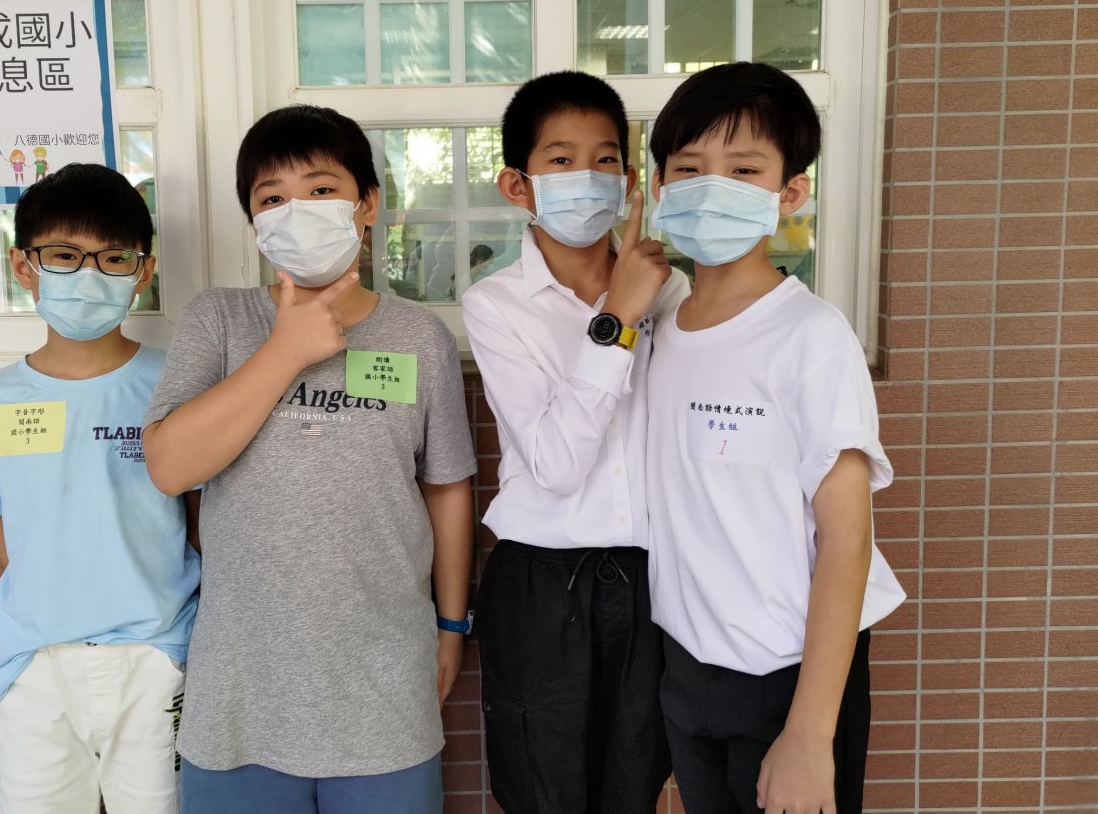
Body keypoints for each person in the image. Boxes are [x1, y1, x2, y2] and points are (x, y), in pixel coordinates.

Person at [142, 104, 476, 814]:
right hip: (241, 697)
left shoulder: (418, 337)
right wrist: (285, 351)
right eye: (272, 199)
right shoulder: (219, 320)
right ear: (254, 222)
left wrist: (452, 626)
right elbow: (170, 465)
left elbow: (447, 489)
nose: (297, 211)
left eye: (321, 189)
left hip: (385, 688)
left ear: (367, 205)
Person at [644, 62, 906, 814]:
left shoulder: (811, 336)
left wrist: (810, 735)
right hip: (689, 666)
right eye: (688, 168)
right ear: (659, 185)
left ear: (790, 192)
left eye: (743, 169)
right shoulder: (659, 326)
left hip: (790, 677)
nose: (711, 187)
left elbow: (848, 542)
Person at [0, 164, 200, 814]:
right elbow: (5, 538)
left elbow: (202, 515)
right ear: (23, 266)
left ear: (143, 272)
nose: (88, 275)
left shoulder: (179, 385)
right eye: (63, 255)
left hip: (156, 656)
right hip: (35, 664)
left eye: (112, 258)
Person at [461, 70, 685, 814]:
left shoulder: (676, 295)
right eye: (560, 159)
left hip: (654, 576)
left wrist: (638, 297)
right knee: (544, 795)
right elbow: (555, 465)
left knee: (636, 789)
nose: (587, 177)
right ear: (517, 185)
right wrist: (618, 317)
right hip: (542, 582)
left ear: (629, 181)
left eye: (606, 159)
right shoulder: (496, 305)